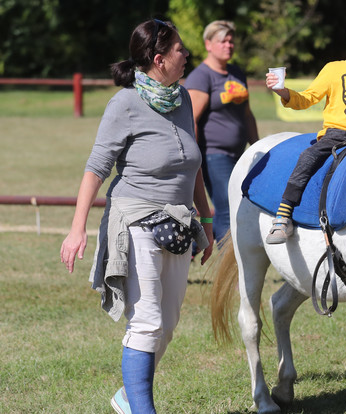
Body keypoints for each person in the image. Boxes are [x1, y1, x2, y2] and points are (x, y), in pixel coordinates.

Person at [59, 19, 214, 414]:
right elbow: (96, 167)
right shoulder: (125, 104)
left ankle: (128, 396)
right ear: (159, 59)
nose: (187, 56)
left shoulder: (180, 100)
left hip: (178, 221)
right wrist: (77, 230)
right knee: (146, 321)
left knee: (168, 322)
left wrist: (207, 220)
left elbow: (192, 162)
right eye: (181, 50)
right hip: (135, 221)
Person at [263, 8, 346, 244]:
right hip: (335, 137)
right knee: (308, 157)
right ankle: (284, 215)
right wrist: (283, 92)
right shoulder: (334, 69)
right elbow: (307, 98)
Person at [185, 20, 259, 243]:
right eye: (222, 41)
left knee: (243, 203)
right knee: (227, 207)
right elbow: (191, 120)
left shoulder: (236, 73)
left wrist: (258, 147)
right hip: (213, 155)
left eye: (231, 41)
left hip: (240, 154)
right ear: (208, 44)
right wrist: (193, 157)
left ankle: (198, 249)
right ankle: (227, 269)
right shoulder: (201, 76)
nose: (229, 45)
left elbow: (247, 115)